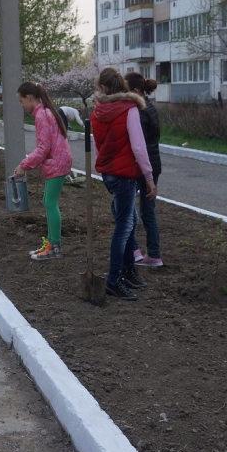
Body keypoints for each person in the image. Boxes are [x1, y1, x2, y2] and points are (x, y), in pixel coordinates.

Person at [91, 68, 157, 301]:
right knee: (124, 226)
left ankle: (128, 270)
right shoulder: (130, 110)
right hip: (125, 175)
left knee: (130, 221)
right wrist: (149, 177)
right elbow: (139, 147)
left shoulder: (96, 111)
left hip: (109, 173)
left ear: (105, 88)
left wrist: (104, 169)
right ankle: (113, 279)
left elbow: (98, 145)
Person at [14, 82, 73, 260]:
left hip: (57, 162)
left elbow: (43, 148)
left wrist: (24, 165)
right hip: (59, 160)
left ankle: (55, 247)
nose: (22, 105)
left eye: (21, 101)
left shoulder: (41, 114)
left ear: (29, 98)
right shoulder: (46, 111)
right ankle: (51, 243)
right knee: (49, 201)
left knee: (50, 202)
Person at [125, 74, 163, 267]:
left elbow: (137, 144)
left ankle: (134, 250)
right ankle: (154, 253)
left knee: (124, 208)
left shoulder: (137, 111)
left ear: (136, 91)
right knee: (148, 211)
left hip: (141, 165)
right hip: (153, 164)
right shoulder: (150, 107)